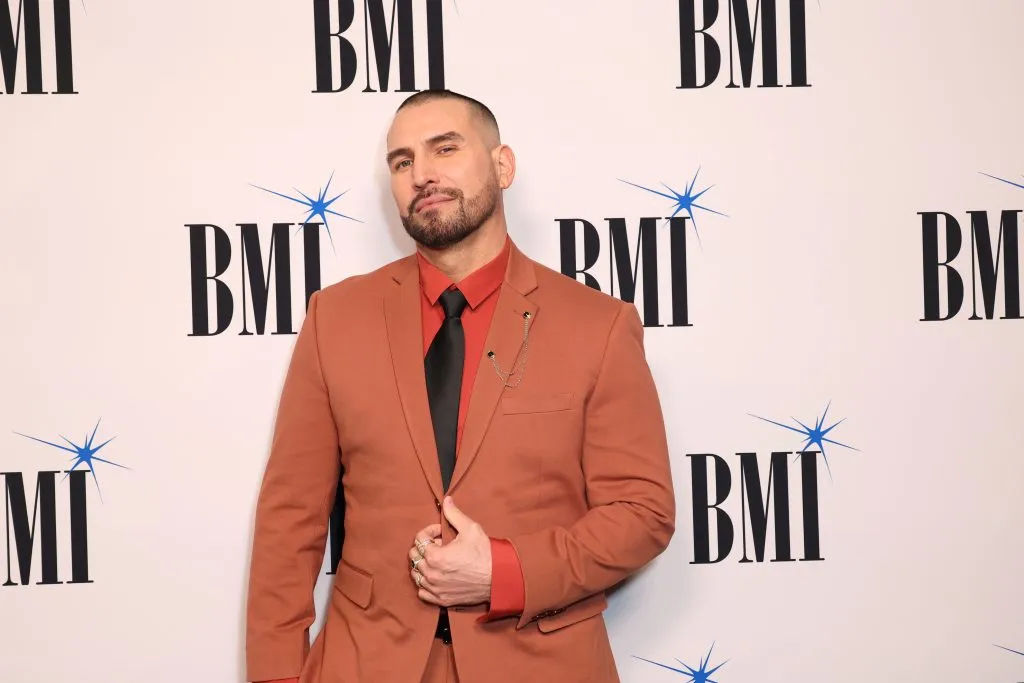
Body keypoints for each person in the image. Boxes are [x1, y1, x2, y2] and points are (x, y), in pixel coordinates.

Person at [245, 89, 676, 683]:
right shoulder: (335, 318)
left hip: (540, 665)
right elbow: (288, 521)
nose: (422, 174)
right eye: (401, 162)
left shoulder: (597, 325)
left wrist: (505, 571)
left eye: (444, 149)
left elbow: (642, 512)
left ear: (503, 165)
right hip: (364, 663)